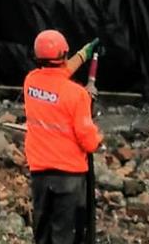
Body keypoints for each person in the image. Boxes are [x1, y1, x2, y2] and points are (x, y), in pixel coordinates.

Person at [22, 29, 102, 244]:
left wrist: (84, 54)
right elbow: (89, 142)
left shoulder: (31, 83)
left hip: (40, 175)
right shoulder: (76, 95)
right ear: (64, 55)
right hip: (69, 178)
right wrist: (88, 101)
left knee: (43, 235)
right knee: (66, 237)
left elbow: (57, 75)